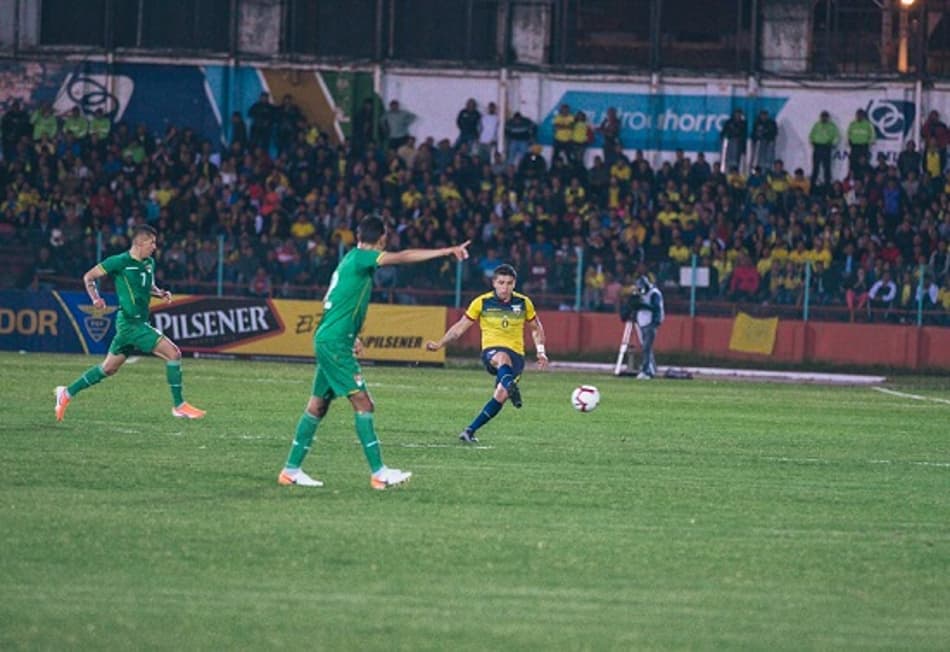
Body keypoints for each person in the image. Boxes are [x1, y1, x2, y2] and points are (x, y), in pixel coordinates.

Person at [277, 215, 470, 489]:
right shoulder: (362, 258)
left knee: (317, 406)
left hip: (332, 340)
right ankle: (379, 473)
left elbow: (331, 300)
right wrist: (446, 251)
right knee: (364, 404)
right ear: (382, 238)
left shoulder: (349, 260)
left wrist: (352, 335)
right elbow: (403, 257)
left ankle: (290, 471)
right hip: (335, 344)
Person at [54, 225, 206, 423]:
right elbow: (89, 277)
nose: (155, 247)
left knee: (108, 369)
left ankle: (66, 393)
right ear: (140, 242)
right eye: (152, 243)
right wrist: (95, 298)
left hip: (136, 322)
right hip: (130, 324)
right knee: (174, 353)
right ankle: (179, 406)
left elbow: (145, 285)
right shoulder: (119, 261)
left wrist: (159, 292)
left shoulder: (149, 263)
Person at [425, 264, 548, 444]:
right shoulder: (482, 302)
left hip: (517, 355)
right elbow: (459, 328)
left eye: (509, 283)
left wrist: (541, 352)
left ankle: (469, 431)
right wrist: (439, 344)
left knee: (501, 396)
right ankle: (511, 385)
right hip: (492, 351)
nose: (505, 287)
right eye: (501, 283)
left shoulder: (524, 302)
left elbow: (536, 328)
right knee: (502, 357)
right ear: (494, 283)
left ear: (514, 284)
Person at [631, 275, 664, 379]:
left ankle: (646, 370)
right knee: (646, 348)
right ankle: (651, 369)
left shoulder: (654, 293)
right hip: (642, 322)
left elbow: (656, 308)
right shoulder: (640, 293)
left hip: (650, 323)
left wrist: (643, 305)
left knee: (646, 347)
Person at [809, 110, 839, 190]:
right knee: (815, 168)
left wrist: (832, 144)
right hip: (817, 147)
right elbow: (811, 135)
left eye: (825, 117)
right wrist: (812, 142)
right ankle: (812, 187)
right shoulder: (817, 125)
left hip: (826, 148)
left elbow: (837, 137)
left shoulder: (832, 126)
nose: (823, 118)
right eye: (822, 116)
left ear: (828, 117)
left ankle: (827, 187)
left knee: (827, 168)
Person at [847, 109, 875, 177]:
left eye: (860, 115)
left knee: (863, 165)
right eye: (857, 115)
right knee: (853, 165)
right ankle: (854, 180)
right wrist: (849, 141)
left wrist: (868, 143)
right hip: (854, 147)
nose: (859, 116)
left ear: (863, 116)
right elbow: (848, 134)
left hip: (863, 147)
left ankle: (863, 180)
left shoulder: (868, 124)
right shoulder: (852, 124)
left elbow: (873, 135)